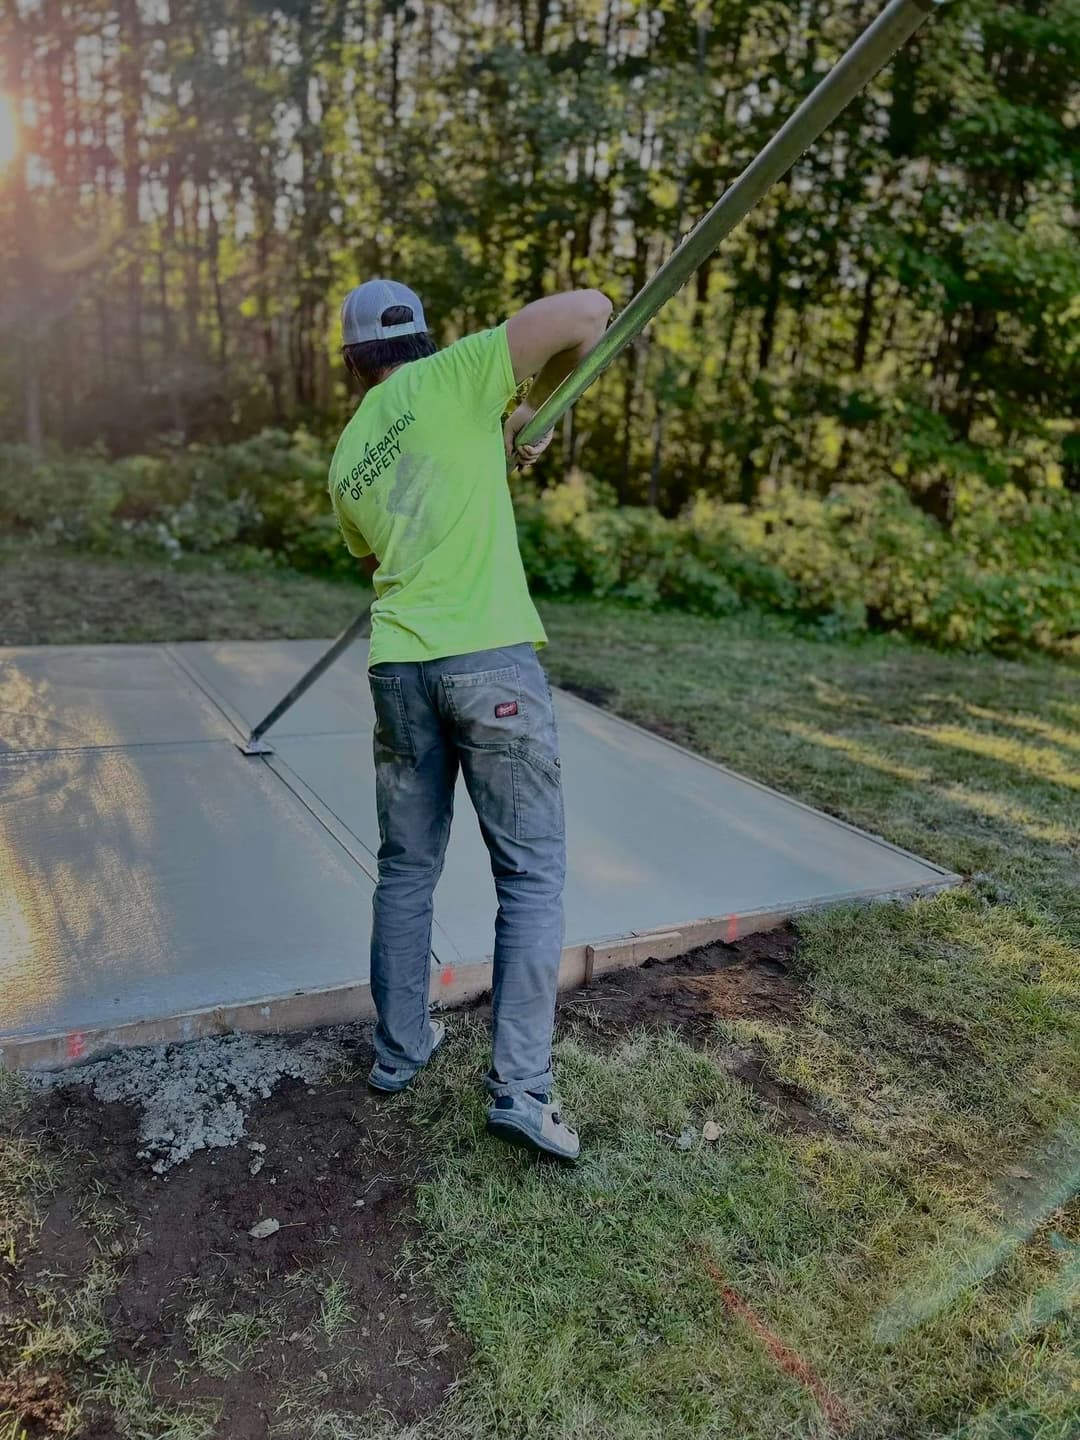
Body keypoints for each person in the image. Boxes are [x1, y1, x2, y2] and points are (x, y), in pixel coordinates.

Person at [328, 277, 612, 1162]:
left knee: (405, 868)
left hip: (398, 668)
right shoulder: (455, 374)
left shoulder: (345, 457)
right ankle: (521, 1091)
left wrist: (504, 436)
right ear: (421, 336)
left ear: (353, 360)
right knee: (529, 876)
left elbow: (379, 548)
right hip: (487, 659)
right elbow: (590, 311)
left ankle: (399, 1051)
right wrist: (529, 405)